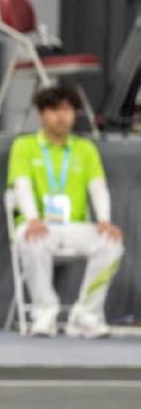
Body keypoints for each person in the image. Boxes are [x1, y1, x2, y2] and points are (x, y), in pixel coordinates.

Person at [8, 84, 124, 338]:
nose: (63, 116)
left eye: (69, 110)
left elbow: (98, 188)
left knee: (110, 242)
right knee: (33, 239)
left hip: (74, 226)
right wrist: (32, 219)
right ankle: (44, 312)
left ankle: (87, 313)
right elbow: (22, 186)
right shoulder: (25, 146)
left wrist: (104, 220)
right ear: (41, 114)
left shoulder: (85, 149)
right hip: (39, 225)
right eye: (55, 110)